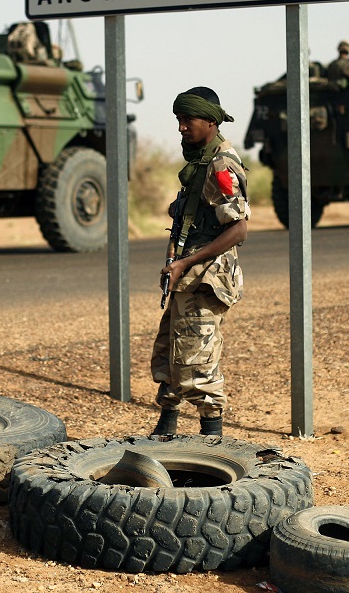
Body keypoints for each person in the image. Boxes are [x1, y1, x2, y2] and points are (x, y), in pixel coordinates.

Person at [151, 87, 250, 438]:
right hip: (188, 275)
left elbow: (238, 229)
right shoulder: (199, 163)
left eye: (187, 120)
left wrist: (186, 262)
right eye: (178, 120)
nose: (181, 128)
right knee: (170, 353)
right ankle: (165, 430)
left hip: (206, 279)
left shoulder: (220, 165)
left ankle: (213, 443)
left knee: (198, 363)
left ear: (210, 120)